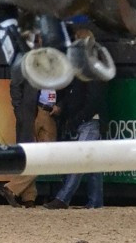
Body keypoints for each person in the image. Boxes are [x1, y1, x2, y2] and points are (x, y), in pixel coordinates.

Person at [43, 45, 106, 210]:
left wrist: (76, 120)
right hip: (86, 120)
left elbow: (94, 101)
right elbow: (75, 96)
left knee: (80, 159)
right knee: (93, 162)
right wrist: (62, 108)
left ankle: (63, 198)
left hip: (89, 121)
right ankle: (96, 201)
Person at [0, 86, 58, 207]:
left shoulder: (57, 70)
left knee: (42, 155)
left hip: (48, 112)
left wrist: (60, 106)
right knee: (35, 155)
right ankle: (24, 195)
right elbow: (15, 86)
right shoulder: (27, 67)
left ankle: (24, 194)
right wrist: (20, 113)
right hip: (30, 113)